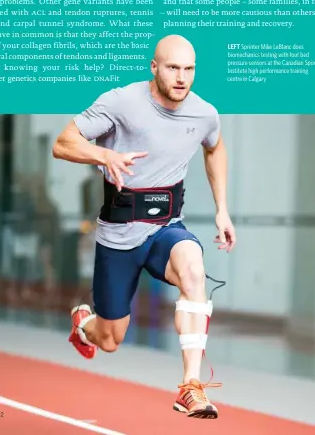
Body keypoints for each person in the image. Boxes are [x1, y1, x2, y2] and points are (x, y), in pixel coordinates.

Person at [53, 35, 236, 419]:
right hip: (118, 237)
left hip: (165, 228)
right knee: (110, 339)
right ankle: (85, 324)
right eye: (173, 68)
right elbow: (63, 142)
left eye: (189, 69)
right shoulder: (122, 102)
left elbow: (214, 148)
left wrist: (222, 209)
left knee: (192, 267)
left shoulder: (204, 113)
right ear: (154, 67)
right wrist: (106, 155)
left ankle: (190, 387)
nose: (182, 78)